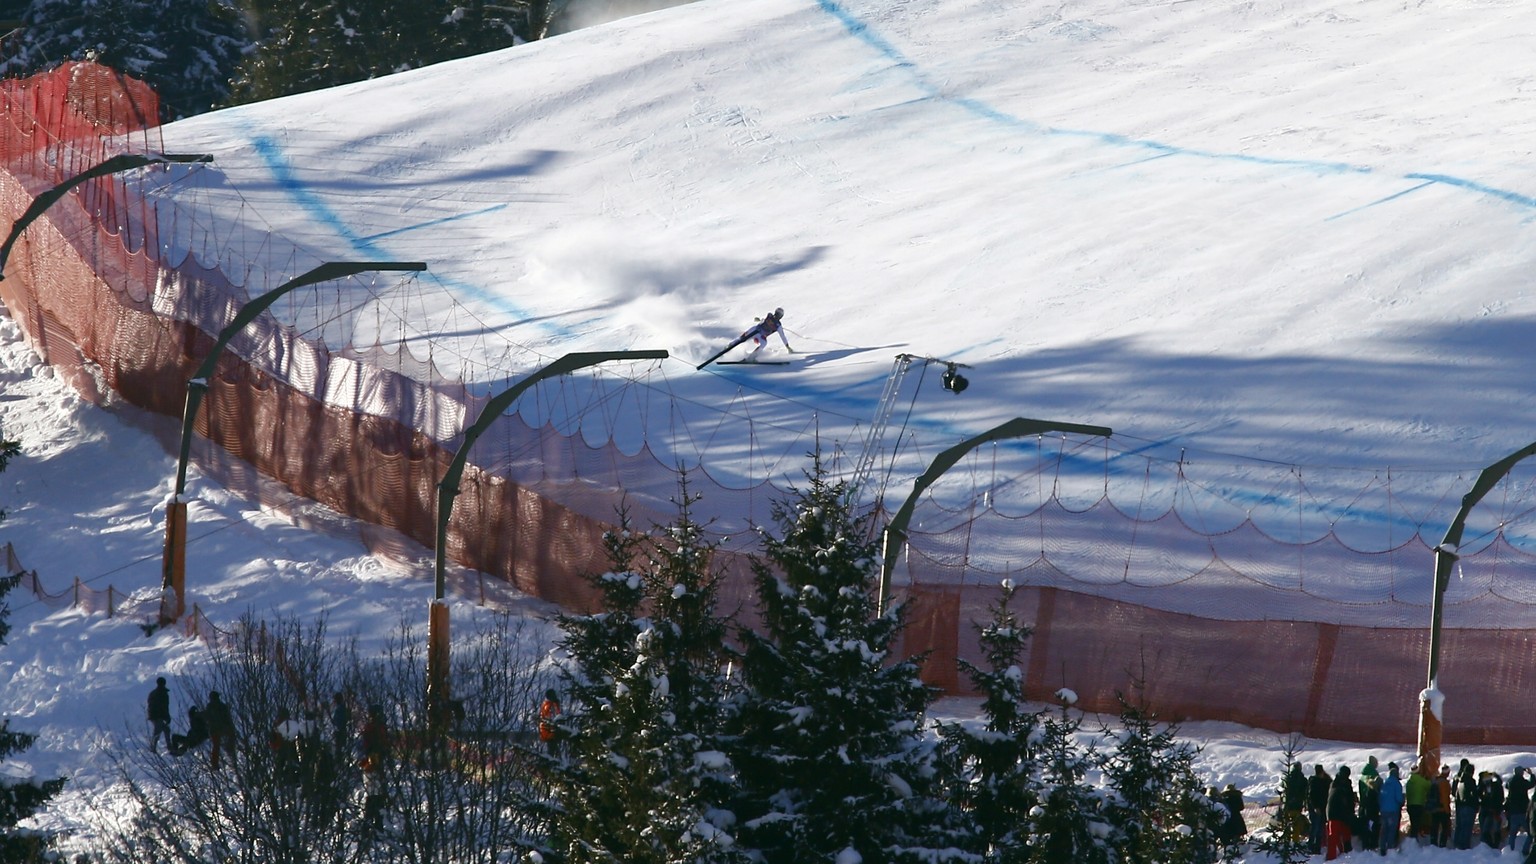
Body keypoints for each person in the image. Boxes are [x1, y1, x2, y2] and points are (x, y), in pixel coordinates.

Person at [1326, 765, 1357, 860]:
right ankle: (1344, 851)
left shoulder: (1334, 783)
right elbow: (1348, 800)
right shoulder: (1344, 786)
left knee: (1334, 836)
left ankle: (1333, 855)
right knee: (1343, 832)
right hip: (1341, 812)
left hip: (1331, 812)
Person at [203, 690, 236, 770]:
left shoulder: (210, 706)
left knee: (216, 747)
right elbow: (228, 718)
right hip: (224, 728)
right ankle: (231, 753)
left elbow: (206, 717)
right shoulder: (223, 706)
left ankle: (214, 764)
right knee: (231, 738)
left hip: (214, 730)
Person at [1377, 761, 1405, 853]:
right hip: (1393, 810)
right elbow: (1399, 798)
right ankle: (1390, 847)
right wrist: (1402, 800)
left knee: (1384, 829)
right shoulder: (1397, 784)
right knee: (1392, 829)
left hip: (1384, 810)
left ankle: (1381, 847)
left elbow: (1380, 797)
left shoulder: (1385, 784)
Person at [1280, 762, 1309, 846]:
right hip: (1297, 804)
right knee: (1296, 824)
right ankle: (1295, 842)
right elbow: (1305, 792)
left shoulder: (1287, 778)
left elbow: (1283, 788)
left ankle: (1286, 840)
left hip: (1287, 804)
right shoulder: (1302, 779)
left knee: (1287, 823)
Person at [1357, 755, 1381, 851]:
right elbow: (1377, 790)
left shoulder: (1362, 776)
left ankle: (1364, 843)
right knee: (1373, 825)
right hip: (1372, 805)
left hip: (1363, 803)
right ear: (1374, 764)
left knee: (1365, 824)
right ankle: (1372, 844)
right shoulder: (1373, 775)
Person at [1452, 759, 1478, 849]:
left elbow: (1455, 794)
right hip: (1469, 806)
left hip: (1460, 806)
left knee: (1460, 826)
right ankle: (1464, 847)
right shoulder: (1471, 781)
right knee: (1467, 828)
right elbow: (1474, 794)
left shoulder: (1459, 780)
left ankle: (1457, 844)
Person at [1309, 764, 1332, 855]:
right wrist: (1315, 807)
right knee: (1317, 828)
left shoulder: (1316, 781)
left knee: (1318, 828)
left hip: (1320, 808)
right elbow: (1312, 796)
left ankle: (1315, 846)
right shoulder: (1319, 781)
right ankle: (1313, 846)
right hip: (1319, 808)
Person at [1404, 762, 1430, 844]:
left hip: (1410, 805)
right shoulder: (1421, 780)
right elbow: (1429, 785)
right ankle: (1414, 841)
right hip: (1418, 805)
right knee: (1417, 823)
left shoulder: (1408, 782)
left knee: (1413, 823)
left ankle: (1412, 840)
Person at [1509, 766, 1532, 854]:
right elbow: (1532, 784)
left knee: (1512, 834)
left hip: (1513, 812)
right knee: (1530, 833)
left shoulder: (1511, 782)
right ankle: (1525, 851)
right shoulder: (1522, 782)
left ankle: (1510, 851)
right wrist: (1531, 775)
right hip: (1522, 812)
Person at [147, 676, 172, 754]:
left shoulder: (153, 693)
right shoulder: (163, 694)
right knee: (158, 731)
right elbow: (164, 707)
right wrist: (167, 717)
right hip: (158, 716)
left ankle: (169, 746)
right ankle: (153, 748)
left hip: (153, 715)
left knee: (165, 730)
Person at [1430, 764, 1452, 847]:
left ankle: (1433, 843)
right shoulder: (1445, 783)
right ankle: (1442, 844)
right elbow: (1445, 798)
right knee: (1444, 828)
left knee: (1434, 826)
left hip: (1434, 808)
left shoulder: (1435, 781)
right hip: (1442, 809)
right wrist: (1447, 811)